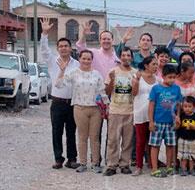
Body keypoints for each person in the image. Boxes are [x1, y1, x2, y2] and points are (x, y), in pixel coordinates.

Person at [40, 19, 79, 169]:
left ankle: (72, 159)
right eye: (60, 46)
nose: (63, 48)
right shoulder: (52, 61)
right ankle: (58, 158)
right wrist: (44, 33)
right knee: (57, 131)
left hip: (72, 103)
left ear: (70, 48)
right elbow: (43, 49)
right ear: (57, 49)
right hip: (57, 102)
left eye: (66, 46)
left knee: (71, 132)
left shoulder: (76, 64)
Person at [67, 49, 108, 173]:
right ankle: (83, 163)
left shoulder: (97, 74)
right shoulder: (73, 73)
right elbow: (59, 84)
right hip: (79, 108)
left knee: (95, 137)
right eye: (83, 58)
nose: (86, 61)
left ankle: (96, 163)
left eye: (89, 59)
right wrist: (63, 70)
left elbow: (102, 91)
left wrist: (108, 105)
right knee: (82, 136)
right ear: (79, 59)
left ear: (92, 60)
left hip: (95, 109)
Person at [104, 46, 136, 175]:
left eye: (128, 55)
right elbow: (107, 92)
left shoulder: (135, 72)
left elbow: (136, 93)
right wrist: (111, 80)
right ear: (120, 57)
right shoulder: (113, 72)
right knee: (113, 139)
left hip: (130, 110)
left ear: (132, 58)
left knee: (128, 140)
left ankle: (125, 164)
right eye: (123, 55)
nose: (126, 58)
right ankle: (112, 164)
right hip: (115, 110)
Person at [148, 64, 183, 178]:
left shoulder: (177, 89)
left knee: (170, 145)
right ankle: (154, 168)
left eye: (174, 77)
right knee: (155, 145)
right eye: (169, 77)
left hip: (171, 123)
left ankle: (169, 166)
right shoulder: (156, 88)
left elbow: (178, 105)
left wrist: (178, 117)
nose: (172, 80)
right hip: (158, 121)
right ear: (163, 76)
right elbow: (151, 105)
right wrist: (151, 121)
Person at [133, 55, 158, 175]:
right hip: (140, 113)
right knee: (140, 141)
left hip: (154, 115)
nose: (156, 66)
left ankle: (152, 164)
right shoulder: (138, 76)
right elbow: (133, 93)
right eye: (153, 64)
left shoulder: (158, 79)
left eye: (156, 64)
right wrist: (136, 81)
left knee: (153, 141)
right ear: (146, 65)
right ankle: (139, 166)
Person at [176, 96, 195, 176]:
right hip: (183, 139)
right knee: (183, 155)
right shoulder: (181, 116)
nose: (187, 108)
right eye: (185, 106)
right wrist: (177, 123)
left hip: (193, 139)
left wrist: (193, 126)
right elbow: (176, 127)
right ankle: (183, 169)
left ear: (194, 107)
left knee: (192, 156)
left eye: (189, 106)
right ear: (182, 107)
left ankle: (191, 169)